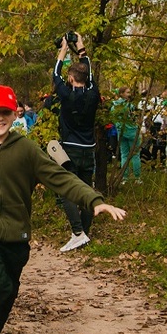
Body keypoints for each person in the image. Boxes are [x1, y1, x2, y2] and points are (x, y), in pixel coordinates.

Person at [0, 84, 126, 334]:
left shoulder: (26, 149)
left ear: (14, 113)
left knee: (9, 290)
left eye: (5, 112)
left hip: (18, 237)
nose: (0, 118)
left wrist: (94, 200)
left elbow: (60, 177)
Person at [51, 33, 100, 252]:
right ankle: (85, 233)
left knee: (67, 190)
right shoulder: (93, 92)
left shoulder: (66, 94)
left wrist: (62, 50)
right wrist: (80, 46)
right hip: (88, 149)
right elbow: (86, 68)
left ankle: (78, 232)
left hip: (70, 148)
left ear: (71, 79)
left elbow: (55, 74)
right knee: (86, 189)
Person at [110, 87, 141, 183]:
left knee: (124, 155)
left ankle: (125, 178)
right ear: (122, 93)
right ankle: (137, 177)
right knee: (135, 155)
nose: (129, 94)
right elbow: (134, 118)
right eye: (127, 92)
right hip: (132, 132)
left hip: (121, 132)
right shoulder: (129, 106)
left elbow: (113, 119)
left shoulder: (113, 106)